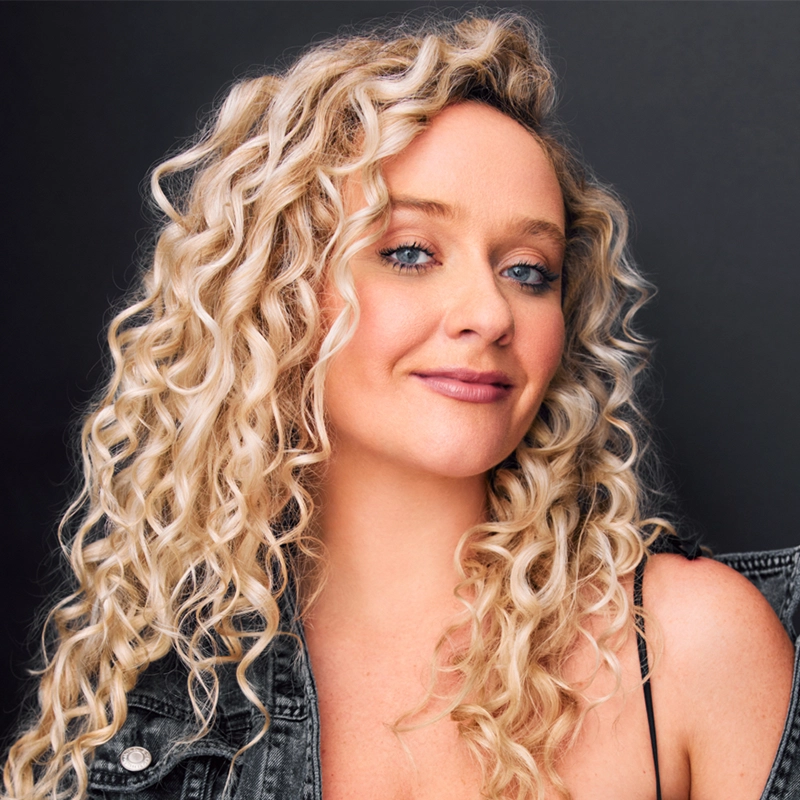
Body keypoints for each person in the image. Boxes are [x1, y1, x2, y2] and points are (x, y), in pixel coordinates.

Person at [3, 11, 798, 800]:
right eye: (410, 252)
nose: (489, 314)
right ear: (279, 295)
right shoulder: (162, 703)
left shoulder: (689, 648)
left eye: (528, 270)